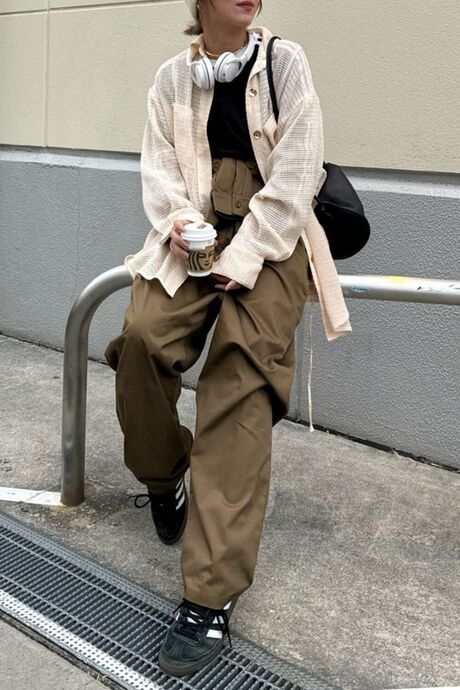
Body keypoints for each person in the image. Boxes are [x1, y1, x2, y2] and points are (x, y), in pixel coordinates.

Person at [104, 0, 351, 678]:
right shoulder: (170, 78)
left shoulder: (284, 63)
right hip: (196, 236)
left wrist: (243, 258)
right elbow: (159, 169)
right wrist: (183, 227)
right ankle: (165, 477)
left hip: (273, 239)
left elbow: (297, 173)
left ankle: (209, 596)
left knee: (239, 378)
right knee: (142, 340)